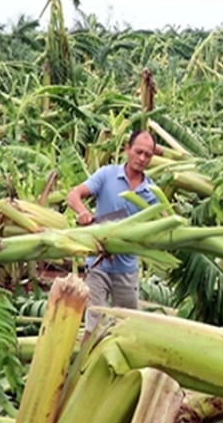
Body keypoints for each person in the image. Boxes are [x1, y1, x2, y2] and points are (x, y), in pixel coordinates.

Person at [66, 130, 159, 334]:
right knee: (93, 325)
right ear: (127, 149)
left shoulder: (152, 193)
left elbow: (155, 229)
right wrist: (82, 212)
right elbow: (73, 195)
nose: (142, 158)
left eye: (148, 155)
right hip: (98, 265)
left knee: (126, 327)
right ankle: (85, 364)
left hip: (127, 269)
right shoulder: (106, 175)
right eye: (138, 151)